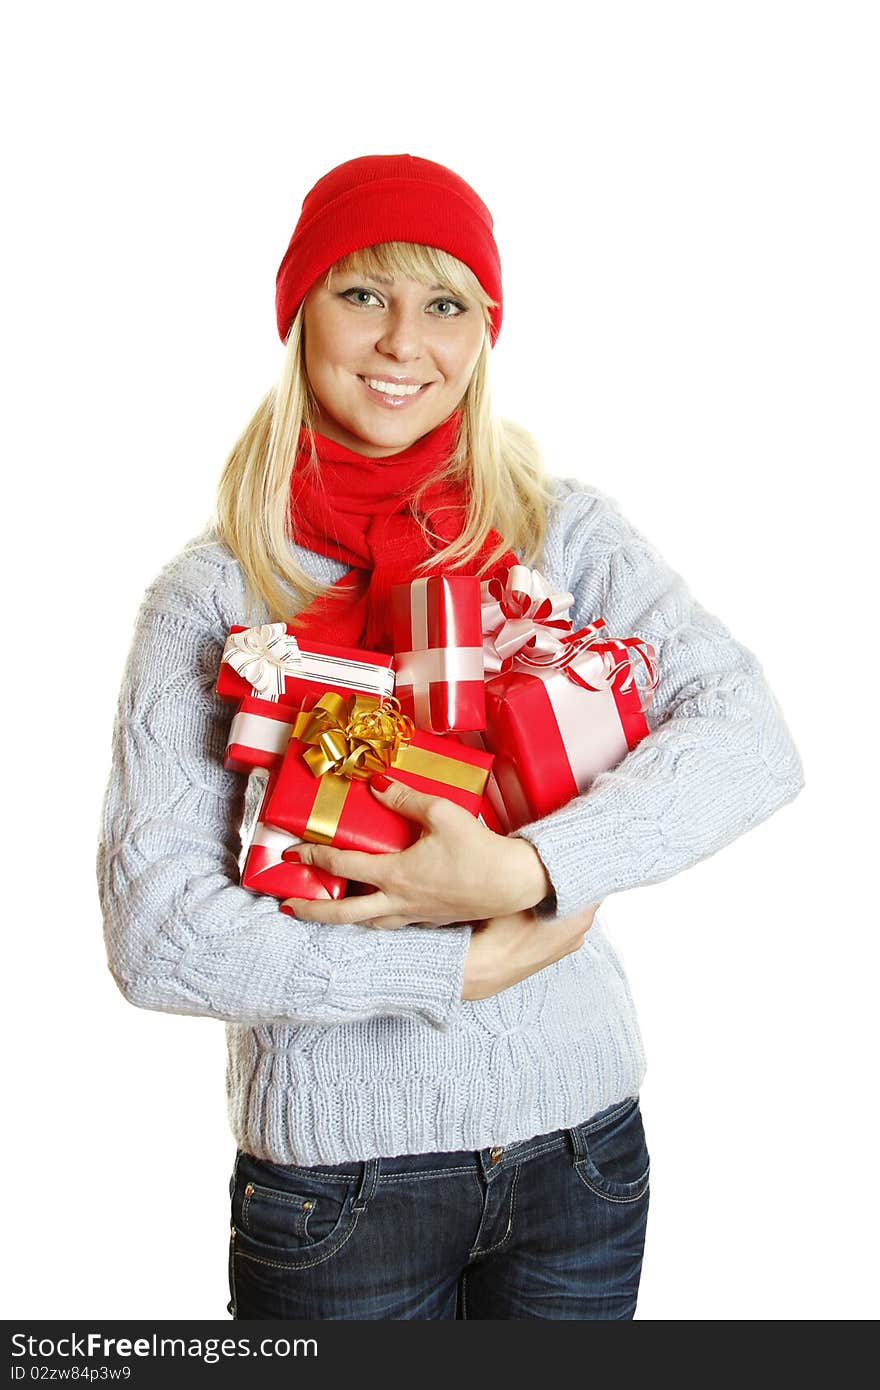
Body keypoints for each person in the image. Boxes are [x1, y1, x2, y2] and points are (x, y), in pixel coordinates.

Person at [96, 153, 804, 1321]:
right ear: (298, 313)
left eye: (445, 305)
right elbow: (158, 933)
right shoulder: (215, 591)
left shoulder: (559, 531)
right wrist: (452, 961)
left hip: (582, 1146)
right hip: (338, 1187)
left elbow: (750, 739)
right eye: (361, 294)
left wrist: (522, 868)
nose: (400, 343)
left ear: (484, 333)